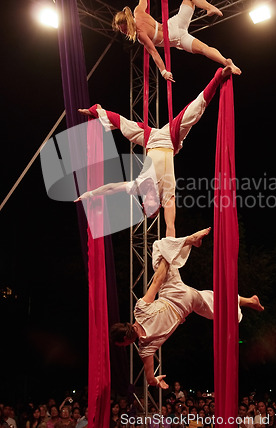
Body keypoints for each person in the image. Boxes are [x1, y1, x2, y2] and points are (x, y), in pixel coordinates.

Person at [76, 66, 232, 237]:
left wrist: (89, 194)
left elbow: (111, 188)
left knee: (125, 126)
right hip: (169, 139)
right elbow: (170, 228)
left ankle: (97, 111)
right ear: (158, 206)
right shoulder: (167, 197)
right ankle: (219, 77)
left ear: (143, 204)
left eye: (148, 209)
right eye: (155, 210)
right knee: (194, 112)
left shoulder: (139, 186)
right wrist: (169, 250)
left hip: (149, 139)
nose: (152, 206)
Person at [109, 227, 264, 388]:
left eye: (122, 345)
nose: (125, 347)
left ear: (126, 340)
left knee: (218, 307)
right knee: (161, 249)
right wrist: (168, 259)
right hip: (172, 291)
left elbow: (149, 379)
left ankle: (183, 237)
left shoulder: (145, 349)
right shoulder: (139, 310)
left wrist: (157, 381)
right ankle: (174, 212)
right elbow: (156, 282)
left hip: (184, 304)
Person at [112, 0, 241, 81]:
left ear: (127, 23)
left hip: (175, 37)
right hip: (173, 23)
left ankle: (225, 60)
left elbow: (154, 53)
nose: (124, 33)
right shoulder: (138, 12)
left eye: (123, 30)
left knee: (203, 49)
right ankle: (226, 61)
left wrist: (164, 72)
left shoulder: (140, 35)